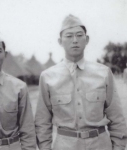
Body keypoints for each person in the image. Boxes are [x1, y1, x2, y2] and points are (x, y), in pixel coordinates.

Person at [35, 15, 127, 150]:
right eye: (69, 36)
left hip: (100, 145)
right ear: (60, 41)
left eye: (79, 35)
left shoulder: (103, 73)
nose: (75, 40)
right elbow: (42, 122)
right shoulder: (48, 77)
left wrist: (118, 147)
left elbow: (117, 117)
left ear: (87, 39)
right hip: (64, 145)